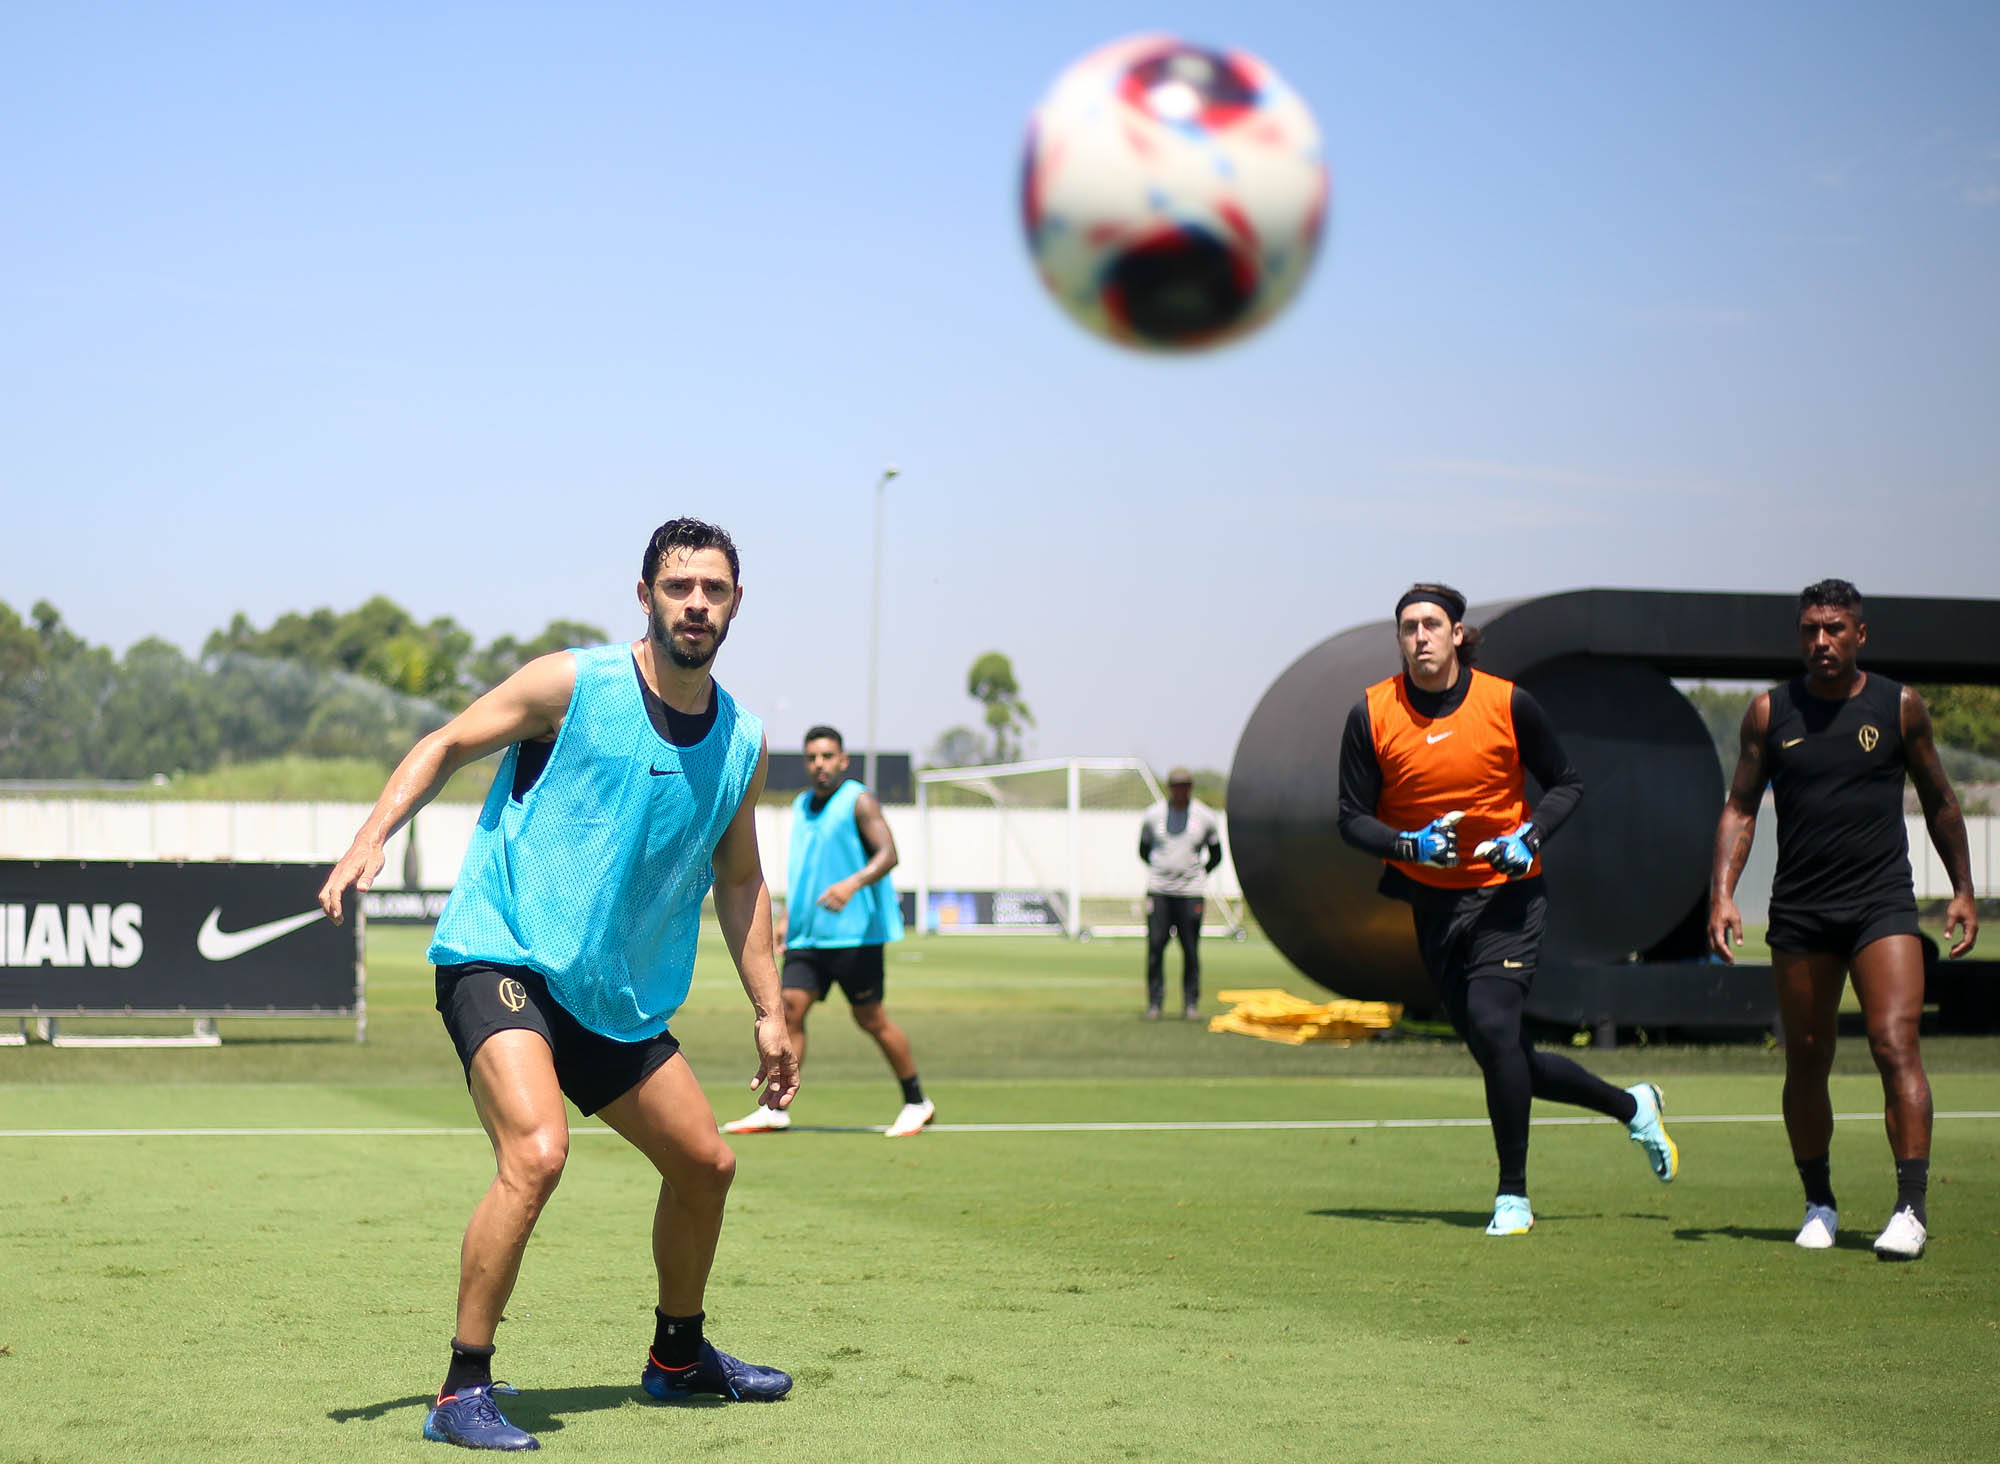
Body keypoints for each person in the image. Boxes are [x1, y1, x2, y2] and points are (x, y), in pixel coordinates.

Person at [318, 518, 799, 1452]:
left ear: (736, 603)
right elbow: (450, 741)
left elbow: (739, 879)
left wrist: (770, 1012)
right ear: (645, 595)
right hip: (502, 954)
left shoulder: (741, 738)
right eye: (678, 586)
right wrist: (372, 834)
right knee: (538, 1152)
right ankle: (462, 1390)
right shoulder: (573, 685)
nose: (695, 604)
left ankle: (676, 1358)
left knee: (707, 1166)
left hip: (609, 993)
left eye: (713, 589)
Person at [1336, 583, 1679, 1237]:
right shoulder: (1372, 713)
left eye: (1431, 625)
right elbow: (1350, 819)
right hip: (1432, 904)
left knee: (1496, 1032)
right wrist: (1408, 843)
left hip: (1507, 896)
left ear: (1458, 633)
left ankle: (1513, 1197)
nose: (1419, 637)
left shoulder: (1507, 702)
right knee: (1505, 1053)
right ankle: (1631, 1105)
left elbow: (1568, 782)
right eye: (1407, 628)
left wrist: (1530, 837)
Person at [1708, 578, 1978, 1261]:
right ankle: (1819, 1202)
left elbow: (1942, 802)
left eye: (1834, 629)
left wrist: (1963, 890)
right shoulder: (1770, 713)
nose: (1820, 641)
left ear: (1861, 635)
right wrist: (1723, 893)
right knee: (1806, 1057)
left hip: (1881, 904)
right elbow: (1740, 807)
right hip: (1800, 912)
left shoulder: (1900, 706)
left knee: (1894, 1044)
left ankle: (1910, 1209)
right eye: (1809, 630)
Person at [724, 725, 933, 1138]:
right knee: (789, 1010)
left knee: (870, 1019)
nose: (819, 765)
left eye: (827, 756)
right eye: (812, 757)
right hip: (807, 937)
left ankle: (916, 1101)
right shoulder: (802, 805)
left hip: (856, 937)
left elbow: (889, 855)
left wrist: (850, 885)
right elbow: (804, 872)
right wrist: (786, 918)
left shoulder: (858, 800)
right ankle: (776, 1107)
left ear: (842, 760)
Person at [1138, 766, 1224, 1020]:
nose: (1180, 790)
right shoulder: (1153, 816)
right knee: (1155, 948)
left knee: (1190, 949)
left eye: (1184, 785)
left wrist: (1196, 874)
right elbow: (1143, 850)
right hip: (1160, 892)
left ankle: (1190, 1004)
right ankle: (1155, 1004)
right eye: (1175, 785)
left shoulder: (1205, 817)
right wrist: (1162, 872)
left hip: (1191, 893)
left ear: (1191, 788)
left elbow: (1216, 854)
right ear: (1169, 788)